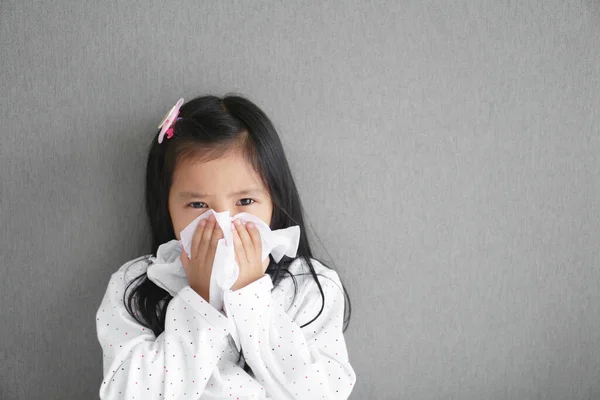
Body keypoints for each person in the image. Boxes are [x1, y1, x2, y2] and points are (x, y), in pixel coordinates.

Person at [96, 94, 356, 399]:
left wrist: (251, 297)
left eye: (245, 201)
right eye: (198, 204)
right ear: (166, 206)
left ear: (274, 200)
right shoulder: (136, 286)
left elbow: (323, 392)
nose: (222, 225)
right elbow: (128, 394)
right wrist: (200, 302)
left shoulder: (309, 286)